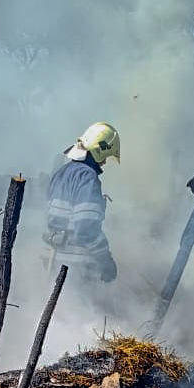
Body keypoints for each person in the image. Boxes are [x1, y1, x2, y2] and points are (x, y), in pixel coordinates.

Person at [42, 122, 120, 292]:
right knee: (78, 308)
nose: (104, 162)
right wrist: (105, 260)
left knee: (52, 304)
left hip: (51, 257)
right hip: (74, 266)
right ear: (99, 150)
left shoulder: (61, 173)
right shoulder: (87, 177)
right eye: (105, 157)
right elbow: (85, 228)